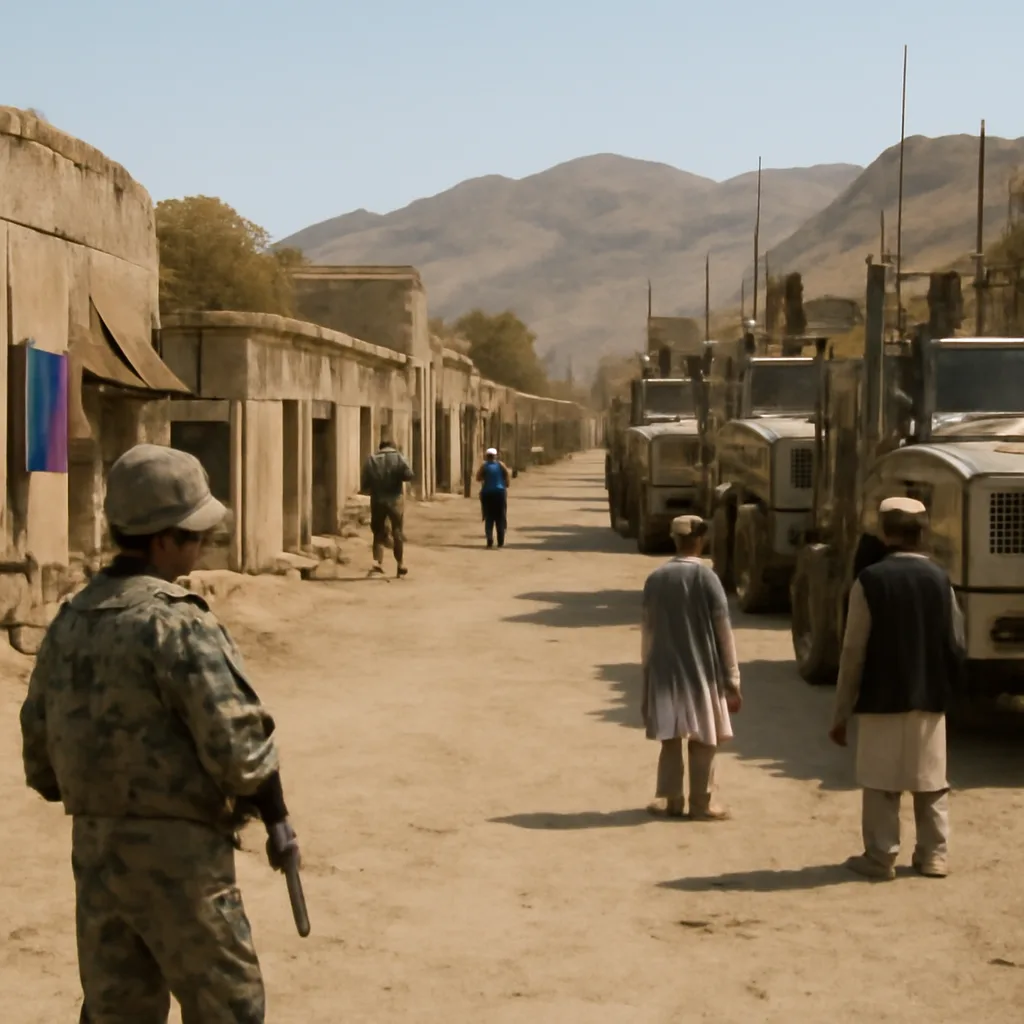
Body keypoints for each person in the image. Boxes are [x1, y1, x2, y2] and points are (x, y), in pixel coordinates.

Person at [19, 443, 299, 1023]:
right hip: (183, 862)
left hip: (97, 858)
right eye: (193, 534)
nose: (201, 547)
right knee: (229, 1010)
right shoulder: (176, 622)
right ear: (161, 539)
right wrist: (274, 817)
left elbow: (41, 761)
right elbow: (240, 750)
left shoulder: (69, 620)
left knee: (115, 1012)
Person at [829, 496, 965, 881]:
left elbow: (853, 651)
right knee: (931, 781)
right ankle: (933, 856)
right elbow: (956, 641)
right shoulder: (941, 578)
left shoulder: (869, 581)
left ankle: (880, 857)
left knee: (880, 783)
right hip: (929, 697)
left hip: (880, 699)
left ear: (885, 533)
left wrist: (841, 712)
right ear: (921, 533)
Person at [641, 514, 742, 821]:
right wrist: (732, 678)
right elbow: (723, 631)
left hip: (663, 672)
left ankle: (672, 801)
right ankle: (701, 803)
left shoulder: (656, 578)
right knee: (703, 740)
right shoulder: (707, 578)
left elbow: (649, 632)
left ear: (674, 539)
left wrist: (647, 676)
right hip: (701, 675)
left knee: (670, 739)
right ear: (701, 540)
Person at [361, 437, 414, 577]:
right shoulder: (399, 457)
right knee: (397, 531)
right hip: (395, 500)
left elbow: (365, 484)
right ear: (393, 446)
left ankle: (377, 562)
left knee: (378, 532)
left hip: (377, 500)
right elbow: (409, 475)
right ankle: (400, 564)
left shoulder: (371, 459)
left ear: (380, 447)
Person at [476, 446, 511, 548]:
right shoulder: (501, 465)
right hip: (500, 493)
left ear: (487, 456)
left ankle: (490, 539)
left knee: (489, 517)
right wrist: (506, 485)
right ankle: (500, 541)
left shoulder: (484, 466)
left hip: (487, 494)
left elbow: (478, 477)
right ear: (495, 456)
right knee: (500, 516)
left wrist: (485, 478)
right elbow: (507, 476)